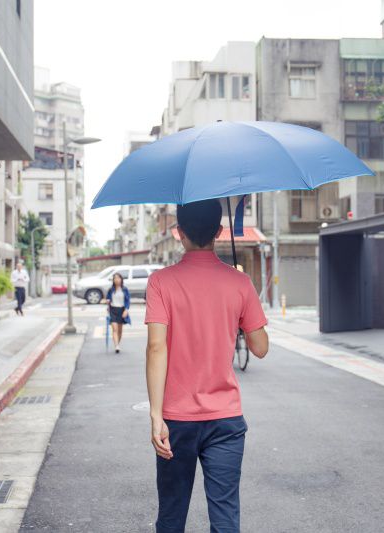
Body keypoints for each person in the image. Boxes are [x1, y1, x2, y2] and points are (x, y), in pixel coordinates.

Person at [145, 199, 269, 533]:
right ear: (218, 232)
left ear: (179, 233)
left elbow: (156, 347)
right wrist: (240, 309)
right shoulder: (240, 283)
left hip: (175, 418)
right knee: (225, 516)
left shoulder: (161, 282)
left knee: (171, 515)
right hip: (226, 418)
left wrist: (157, 416)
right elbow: (260, 348)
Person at [105, 272, 131, 353]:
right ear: (113, 280)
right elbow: (108, 298)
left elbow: (128, 301)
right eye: (115, 278)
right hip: (113, 310)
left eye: (118, 278)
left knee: (120, 330)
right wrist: (107, 301)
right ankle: (116, 346)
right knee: (114, 329)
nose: (116, 280)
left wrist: (126, 310)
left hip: (122, 310)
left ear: (121, 279)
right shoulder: (111, 289)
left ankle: (117, 344)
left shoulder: (125, 289)